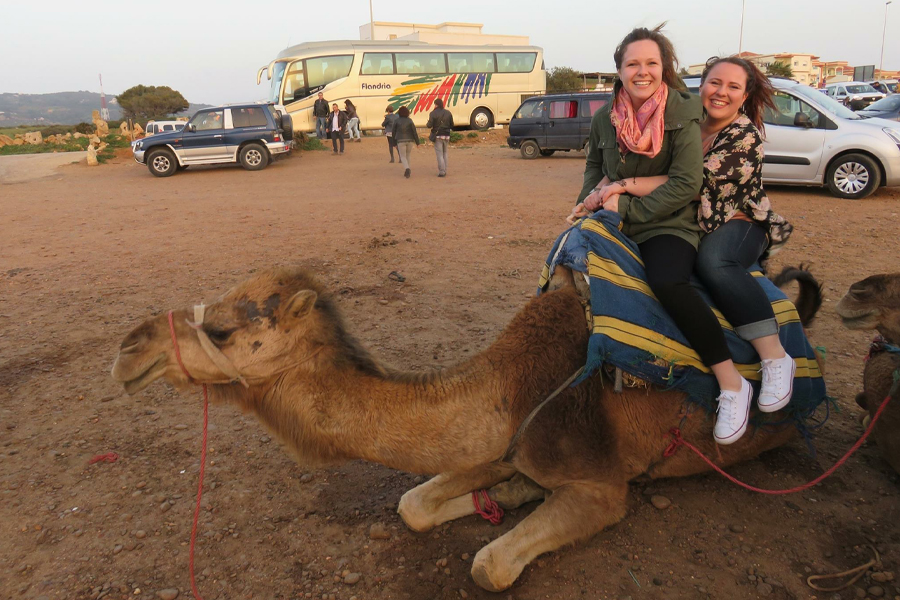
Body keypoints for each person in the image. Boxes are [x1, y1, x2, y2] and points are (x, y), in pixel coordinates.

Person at [566, 25, 754, 446]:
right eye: (633, 63)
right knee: (569, 268)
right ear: (619, 69)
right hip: (615, 214)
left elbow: (686, 183)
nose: (642, 71)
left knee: (668, 281)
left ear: (664, 68)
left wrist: (629, 209)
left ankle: (732, 383)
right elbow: (595, 171)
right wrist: (585, 204)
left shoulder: (682, 112)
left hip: (668, 222)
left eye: (652, 63)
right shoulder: (604, 118)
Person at [590, 56, 796, 430]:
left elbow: (691, 180)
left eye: (733, 87)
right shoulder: (683, 119)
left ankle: (774, 355)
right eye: (715, 83)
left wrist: (621, 187)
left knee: (714, 264)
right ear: (702, 84)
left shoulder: (745, 135)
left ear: (745, 95)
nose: (721, 93)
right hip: (689, 218)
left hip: (735, 219)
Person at [426, 98, 454, 177]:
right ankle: (445, 169)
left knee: (439, 154)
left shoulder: (433, 113)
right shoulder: (448, 112)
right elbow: (452, 124)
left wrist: (428, 122)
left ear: (436, 104)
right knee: (445, 153)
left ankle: (442, 171)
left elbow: (429, 125)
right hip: (447, 134)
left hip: (438, 135)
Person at [391, 105, 420, 178]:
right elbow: (414, 131)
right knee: (408, 155)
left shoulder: (396, 121)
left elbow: (393, 132)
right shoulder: (410, 120)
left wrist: (394, 143)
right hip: (410, 140)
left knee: (402, 156)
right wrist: (417, 142)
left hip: (400, 140)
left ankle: (407, 169)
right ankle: (408, 169)